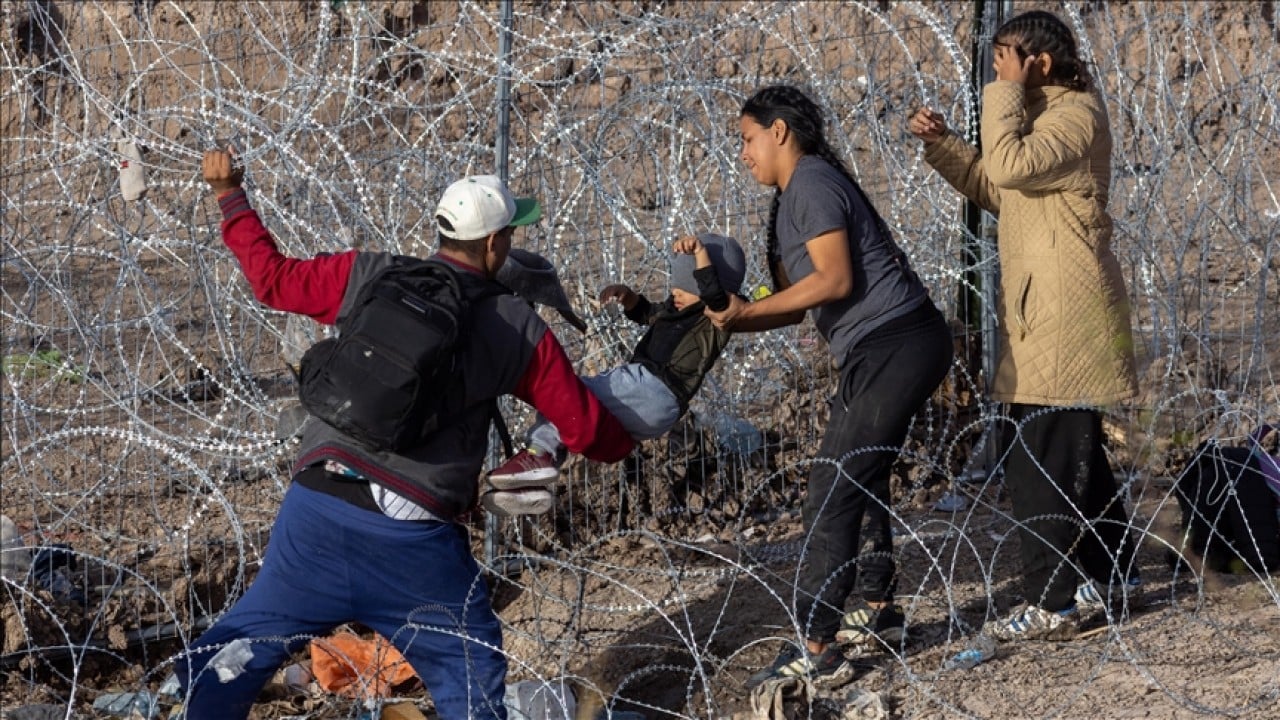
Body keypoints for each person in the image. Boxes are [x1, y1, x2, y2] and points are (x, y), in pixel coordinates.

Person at [175, 150, 636, 719]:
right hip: (411, 539)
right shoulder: (515, 326)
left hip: (317, 506)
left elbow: (271, 279)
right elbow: (588, 430)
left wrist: (229, 195)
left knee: (232, 656)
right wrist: (632, 425)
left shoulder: (371, 276)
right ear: (494, 245)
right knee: (471, 669)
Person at [708, 84, 954, 688]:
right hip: (887, 346)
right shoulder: (796, 195)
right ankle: (878, 611)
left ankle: (818, 645)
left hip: (895, 341)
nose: (743, 153)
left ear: (779, 132)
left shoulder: (811, 185)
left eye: (747, 139)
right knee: (857, 473)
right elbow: (797, 303)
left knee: (835, 484)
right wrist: (732, 314)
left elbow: (835, 280)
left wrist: (744, 312)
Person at [908, 9, 1141, 641]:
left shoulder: (1075, 116)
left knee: (1039, 461)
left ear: (1037, 61)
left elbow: (1009, 167)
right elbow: (998, 185)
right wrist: (944, 144)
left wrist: (1005, 94)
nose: (997, 69)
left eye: (1005, 59)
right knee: (1069, 450)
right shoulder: (1040, 120)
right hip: (1044, 309)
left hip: (1066, 312)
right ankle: (1116, 574)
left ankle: (1052, 599)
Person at [484, 233, 746, 505]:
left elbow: (714, 294)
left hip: (654, 387)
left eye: (686, 287)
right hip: (650, 398)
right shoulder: (678, 307)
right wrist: (629, 297)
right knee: (572, 405)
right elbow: (650, 314)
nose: (675, 291)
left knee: (566, 394)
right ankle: (534, 480)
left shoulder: (714, 316)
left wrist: (700, 252)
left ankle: (538, 454)